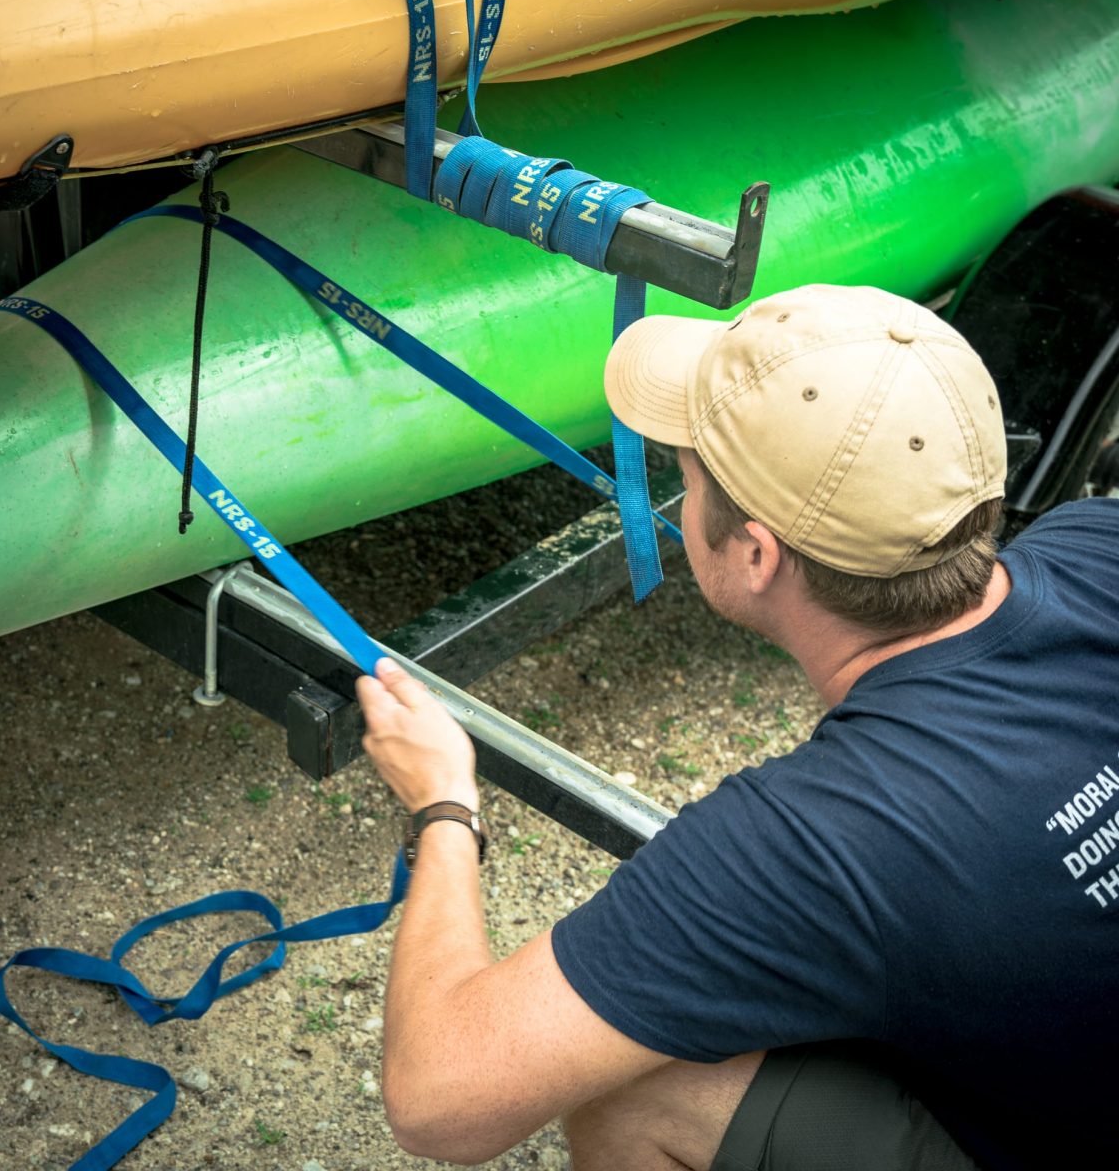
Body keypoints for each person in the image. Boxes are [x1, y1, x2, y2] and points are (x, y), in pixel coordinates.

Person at [354, 283, 1119, 1171]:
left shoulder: (812, 845)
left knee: (639, 1089)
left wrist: (443, 806)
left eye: (683, 475)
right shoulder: (1098, 542)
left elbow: (438, 1101)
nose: (678, 498)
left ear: (758, 555)